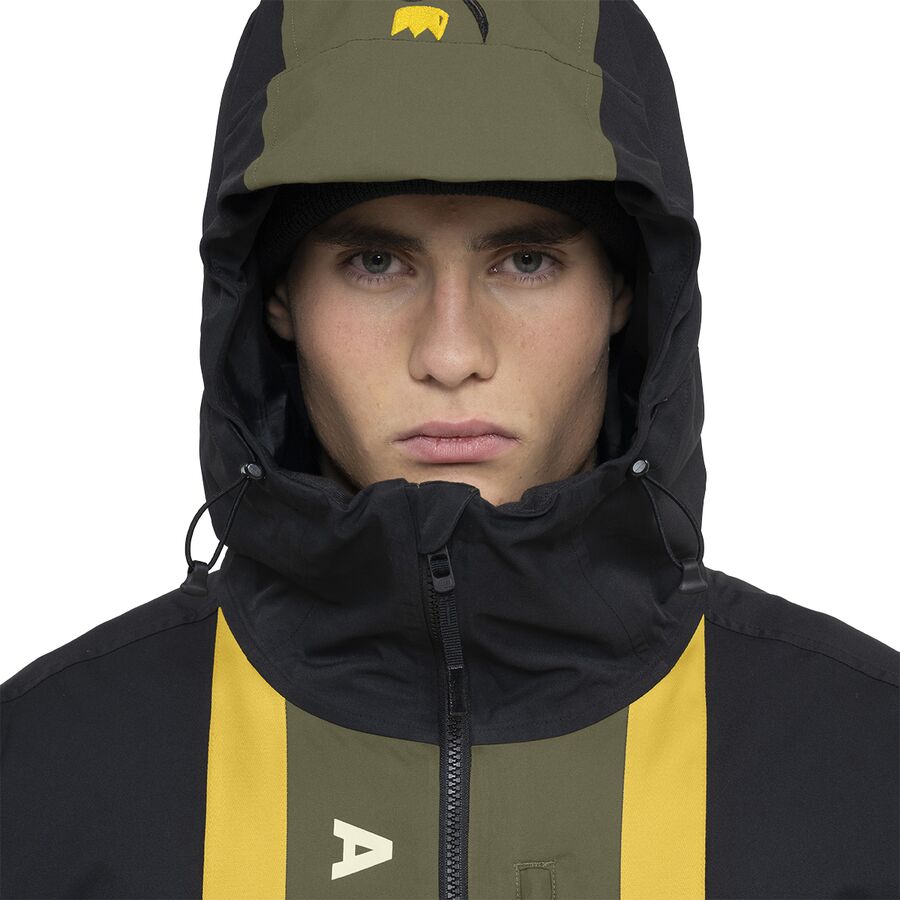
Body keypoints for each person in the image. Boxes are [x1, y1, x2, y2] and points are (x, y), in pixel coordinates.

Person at [2, 1, 897, 898]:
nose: (451, 354)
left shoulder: (863, 761)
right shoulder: (47, 768)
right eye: (375, 263)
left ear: (627, 292)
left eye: (527, 261)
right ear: (274, 296)